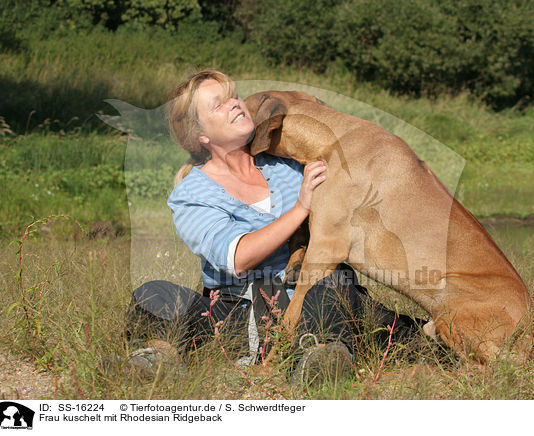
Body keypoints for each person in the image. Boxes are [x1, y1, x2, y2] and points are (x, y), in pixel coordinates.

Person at [126, 69, 424, 383]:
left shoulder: (289, 164)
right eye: (219, 104)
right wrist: (300, 208)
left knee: (335, 283)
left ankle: (317, 360)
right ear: (201, 135)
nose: (236, 105)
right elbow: (238, 257)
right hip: (234, 313)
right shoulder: (191, 192)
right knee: (153, 294)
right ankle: (157, 360)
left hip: (309, 300)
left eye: (235, 96)